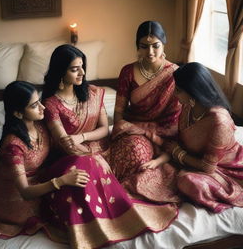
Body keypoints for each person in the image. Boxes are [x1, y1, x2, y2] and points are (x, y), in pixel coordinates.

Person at [40, 44, 179, 248]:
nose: (82, 73)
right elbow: (66, 144)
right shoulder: (51, 104)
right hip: (75, 157)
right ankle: (93, 226)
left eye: (82, 66)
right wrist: (88, 154)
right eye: (74, 69)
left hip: (105, 149)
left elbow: (105, 129)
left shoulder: (94, 92)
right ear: (61, 71)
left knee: (135, 151)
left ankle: (118, 191)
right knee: (80, 174)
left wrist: (82, 136)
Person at [0, 81, 90, 241]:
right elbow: (25, 192)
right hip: (13, 198)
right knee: (67, 205)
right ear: (18, 114)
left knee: (82, 171)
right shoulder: (13, 147)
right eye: (34, 105)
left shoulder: (40, 125)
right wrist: (61, 180)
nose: (43, 107)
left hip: (38, 179)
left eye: (39, 101)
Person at [110, 21, 182, 203]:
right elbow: (118, 114)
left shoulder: (175, 74)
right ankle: (118, 195)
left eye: (155, 46)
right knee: (134, 154)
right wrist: (133, 129)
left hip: (165, 134)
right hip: (133, 129)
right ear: (138, 47)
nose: (150, 52)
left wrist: (154, 135)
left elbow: (176, 119)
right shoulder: (127, 72)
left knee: (165, 167)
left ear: (163, 44)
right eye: (144, 47)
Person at [165, 62, 243, 213]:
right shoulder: (189, 106)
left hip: (226, 168)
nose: (175, 93)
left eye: (179, 90)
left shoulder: (219, 121)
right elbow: (182, 137)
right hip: (196, 159)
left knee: (187, 182)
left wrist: (177, 153)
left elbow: (208, 167)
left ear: (193, 91)